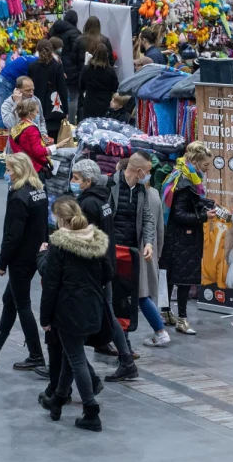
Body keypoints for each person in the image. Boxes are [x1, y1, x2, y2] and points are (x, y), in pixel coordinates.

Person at [0, 153, 48, 370]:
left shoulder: (18, 196)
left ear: (20, 170)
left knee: (22, 305)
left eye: (10, 170)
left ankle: (36, 355)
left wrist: (3, 263)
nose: (7, 174)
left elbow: (13, 234)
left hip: (20, 258)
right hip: (36, 253)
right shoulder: (39, 191)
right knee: (9, 300)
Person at [38, 198, 112, 431]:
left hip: (68, 309)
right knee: (73, 354)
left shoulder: (59, 246)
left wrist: (45, 318)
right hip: (92, 307)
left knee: (77, 359)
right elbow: (108, 272)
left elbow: (50, 284)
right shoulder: (95, 240)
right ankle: (58, 398)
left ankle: (91, 410)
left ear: (60, 219)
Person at [69, 158, 136, 378]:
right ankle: (117, 353)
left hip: (95, 267)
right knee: (108, 310)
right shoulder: (103, 199)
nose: (73, 182)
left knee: (102, 311)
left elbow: (83, 238)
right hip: (106, 262)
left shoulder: (87, 204)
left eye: (76, 178)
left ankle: (124, 359)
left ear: (88, 181)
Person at [160, 142, 222, 336]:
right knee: (184, 279)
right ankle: (182, 318)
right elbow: (179, 214)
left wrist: (205, 205)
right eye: (205, 165)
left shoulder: (179, 176)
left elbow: (186, 206)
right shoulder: (186, 183)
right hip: (183, 239)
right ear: (194, 161)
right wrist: (204, 217)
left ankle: (166, 312)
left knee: (169, 277)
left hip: (174, 237)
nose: (207, 169)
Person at [110, 154, 167, 349]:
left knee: (126, 299)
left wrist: (149, 243)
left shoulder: (143, 191)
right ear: (139, 171)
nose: (149, 175)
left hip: (131, 254)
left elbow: (149, 219)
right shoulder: (109, 185)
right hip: (111, 252)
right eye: (148, 171)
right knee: (115, 298)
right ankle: (116, 345)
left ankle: (123, 347)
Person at [27, 39, 68, 139]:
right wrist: (66, 110)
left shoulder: (32, 66)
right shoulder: (57, 67)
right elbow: (62, 90)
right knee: (51, 141)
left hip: (36, 107)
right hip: (53, 109)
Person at [0, 53, 37, 129]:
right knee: (4, 113)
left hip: (5, 79)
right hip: (6, 81)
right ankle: (0, 137)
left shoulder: (34, 59)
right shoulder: (37, 64)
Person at [76, 44, 118, 122]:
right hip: (105, 102)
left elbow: (81, 86)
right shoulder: (110, 71)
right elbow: (115, 87)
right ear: (107, 55)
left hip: (90, 102)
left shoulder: (86, 69)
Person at [10, 99, 52, 174]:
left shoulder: (15, 128)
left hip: (20, 167)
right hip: (32, 168)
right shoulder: (31, 129)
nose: (37, 115)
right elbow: (38, 152)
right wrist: (56, 147)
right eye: (36, 112)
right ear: (30, 113)